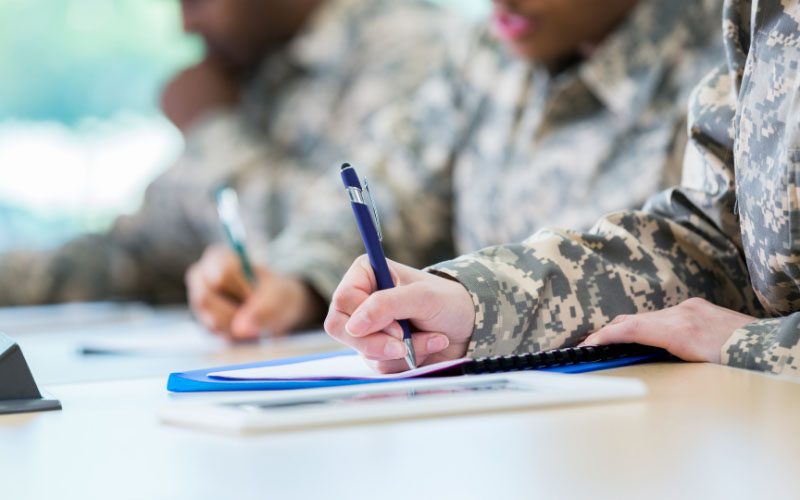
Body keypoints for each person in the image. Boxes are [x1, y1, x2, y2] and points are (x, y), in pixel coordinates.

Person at [187, 0, 724, 340]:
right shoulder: (485, 53)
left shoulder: (726, 57)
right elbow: (388, 192)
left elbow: (706, 268)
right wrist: (299, 281)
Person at [324, 0, 800, 376]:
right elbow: (716, 244)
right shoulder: (756, 13)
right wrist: (476, 301)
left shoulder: (698, 53)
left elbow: (726, 310)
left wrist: (754, 344)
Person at [0, 0, 451, 308]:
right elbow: (142, 250)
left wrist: (211, 129)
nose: (185, 26)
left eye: (196, 1)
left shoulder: (412, 49)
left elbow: (349, 243)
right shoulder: (255, 65)